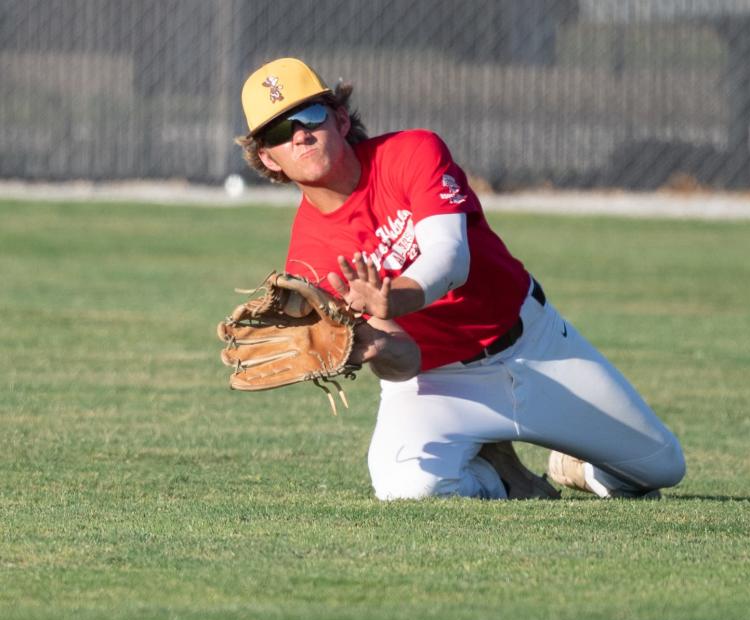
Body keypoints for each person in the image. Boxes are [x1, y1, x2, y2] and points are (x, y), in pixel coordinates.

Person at [236, 57, 686, 500]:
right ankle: (502, 477)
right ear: (267, 159)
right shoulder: (310, 264)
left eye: (309, 114)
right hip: (438, 382)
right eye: (278, 131)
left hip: (535, 346)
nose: (299, 134)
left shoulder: (411, 152)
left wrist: (396, 298)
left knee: (663, 468)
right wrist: (373, 345)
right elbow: (406, 359)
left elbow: (450, 259)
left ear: (337, 117)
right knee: (403, 488)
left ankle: (581, 468)